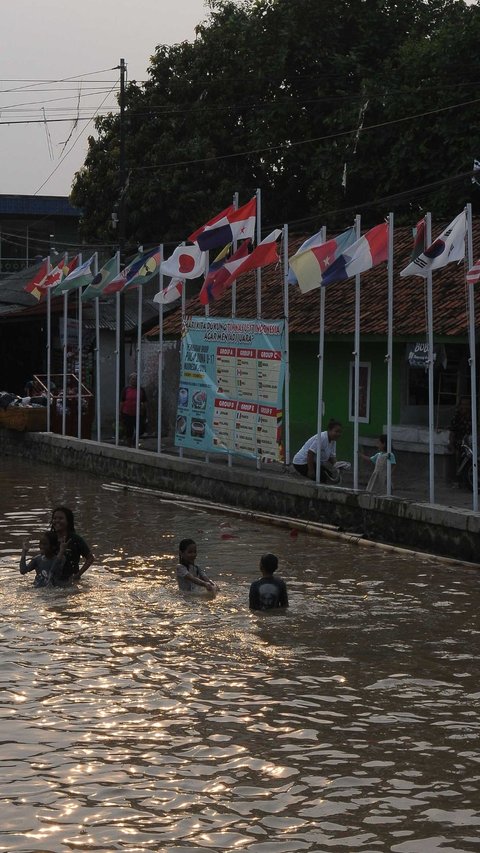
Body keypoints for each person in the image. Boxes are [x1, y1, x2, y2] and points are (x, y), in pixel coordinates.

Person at [50, 506, 94, 583]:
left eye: (60, 518)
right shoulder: (49, 537)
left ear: (68, 521)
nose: (57, 521)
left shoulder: (75, 539)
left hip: (70, 581)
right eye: (54, 518)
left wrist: (78, 575)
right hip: (51, 579)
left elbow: (90, 558)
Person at [120, 372, 147, 447]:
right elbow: (122, 401)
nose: (134, 381)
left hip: (138, 413)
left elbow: (144, 401)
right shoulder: (126, 390)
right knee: (129, 430)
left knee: (140, 429)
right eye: (132, 379)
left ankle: (134, 441)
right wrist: (120, 412)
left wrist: (143, 411)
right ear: (129, 380)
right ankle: (129, 444)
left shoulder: (141, 390)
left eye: (135, 379)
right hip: (127, 413)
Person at [448, 397, 472, 461]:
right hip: (459, 444)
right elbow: (452, 432)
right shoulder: (456, 417)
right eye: (462, 404)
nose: (464, 406)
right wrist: (451, 444)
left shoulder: (474, 417)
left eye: (466, 404)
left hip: (471, 444)